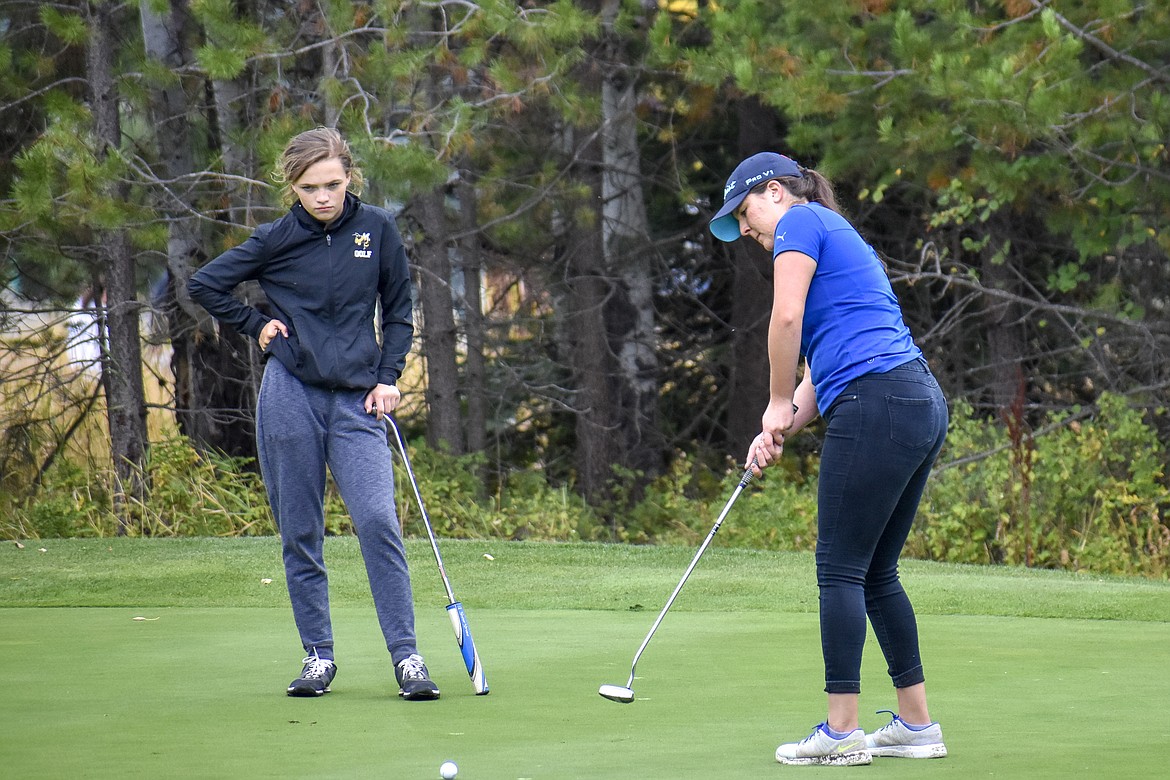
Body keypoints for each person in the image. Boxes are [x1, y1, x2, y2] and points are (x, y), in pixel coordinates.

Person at [709, 152, 949, 766]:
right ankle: (917, 726)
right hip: (915, 400)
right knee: (875, 572)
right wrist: (783, 422)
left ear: (773, 193)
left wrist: (772, 399)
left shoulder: (800, 222)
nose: (752, 234)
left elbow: (785, 317)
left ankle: (842, 733)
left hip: (879, 402)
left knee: (840, 569)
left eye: (747, 215)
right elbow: (825, 362)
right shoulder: (834, 235)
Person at [189, 127, 440, 701]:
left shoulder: (377, 228)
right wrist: (258, 326)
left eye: (332, 184)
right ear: (293, 187)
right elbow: (205, 283)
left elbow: (399, 308)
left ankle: (408, 659)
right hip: (291, 395)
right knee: (300, 530)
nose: (322, 196)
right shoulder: (277, 238)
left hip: (358, 399)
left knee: (378, 521)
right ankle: (318, 657)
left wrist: (389, 377)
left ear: (349, 177)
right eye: (309, 187)